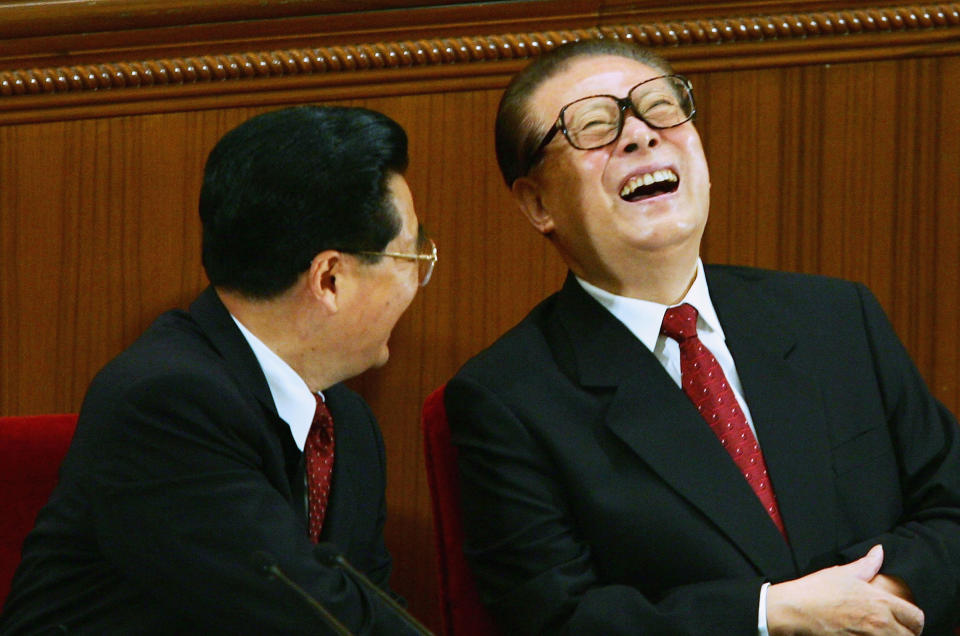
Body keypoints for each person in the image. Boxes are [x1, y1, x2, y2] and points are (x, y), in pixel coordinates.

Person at [443, 39, 960, 635]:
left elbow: (950, 505)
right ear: (537, 203)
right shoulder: (507, 397)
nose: (641, 135)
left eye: (661, 108)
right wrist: (773, 616)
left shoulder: (837, 316)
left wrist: (874, 602)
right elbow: (560, 619)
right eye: (593, 125)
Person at [0, 105, 438, 634]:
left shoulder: (347, 423)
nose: (416, 286)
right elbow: (308, 616)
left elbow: (374, 608)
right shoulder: (165, 404)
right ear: (329, 279)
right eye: (411, 259)